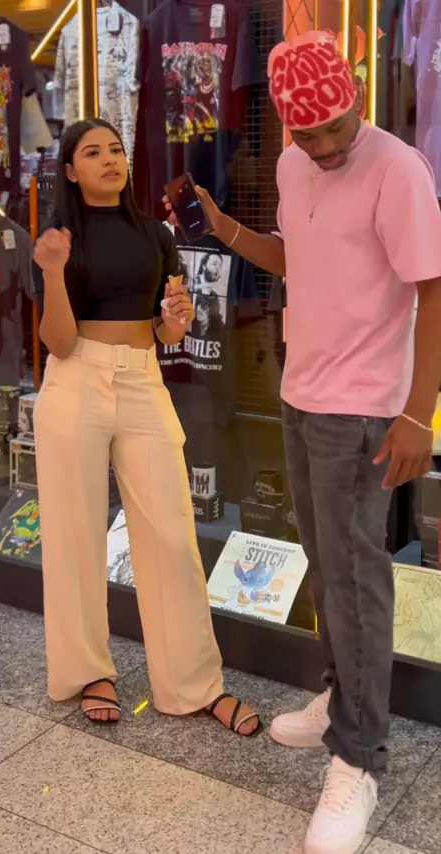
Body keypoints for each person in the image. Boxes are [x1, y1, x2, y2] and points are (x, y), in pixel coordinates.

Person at [165, 31, 441, 854]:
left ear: (356, 98)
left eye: (335, 129)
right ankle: (340, 697)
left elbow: (433, 290)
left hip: (365, 409)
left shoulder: (397, 169)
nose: (323, 147)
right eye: (306, 133)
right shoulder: (293, 166)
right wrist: (224, 229)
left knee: (356, 582)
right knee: (326, 567)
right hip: (302, 391)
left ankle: (360, 757)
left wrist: (418, 415)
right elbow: (301, 258)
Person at [32, 117, 260, 738]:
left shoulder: (156, 233)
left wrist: (174, 323)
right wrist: (52, 272)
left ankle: (193, 684)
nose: (110, 159)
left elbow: (165, 330)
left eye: (116, 149)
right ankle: (87, 674)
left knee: (171, 533)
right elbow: (58, 342)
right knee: (75, 535)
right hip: (75, 378)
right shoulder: (57, 238)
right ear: (70, 170)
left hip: (141, 377)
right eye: (92, 152)